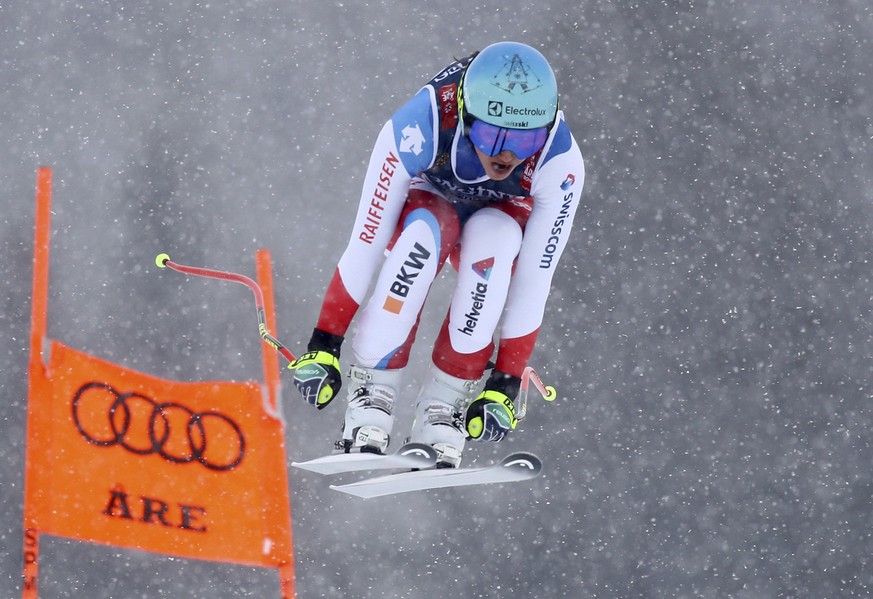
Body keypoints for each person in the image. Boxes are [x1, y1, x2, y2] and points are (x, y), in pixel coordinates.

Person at [290, 41, 584, 468]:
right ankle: (371, 397)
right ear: (465, 112)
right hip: (430, 201)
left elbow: (534, 279)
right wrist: (324, 344)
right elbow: (366, 242)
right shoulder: (421, 123)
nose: (507, 154)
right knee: (428, 234)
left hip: (503, 217)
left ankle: (443, 411)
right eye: (491, 134)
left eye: (525, 140)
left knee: (495, 239)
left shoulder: (559, 160)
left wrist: (505, 382)